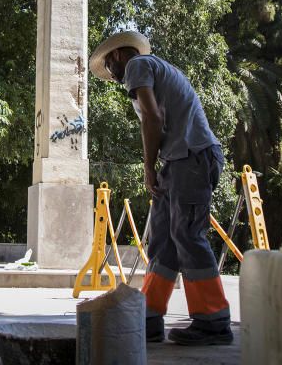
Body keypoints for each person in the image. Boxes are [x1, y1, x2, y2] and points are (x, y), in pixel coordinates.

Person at [88, 31, 233, 346]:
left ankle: (213, 321)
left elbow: (152, 119)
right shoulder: (149, 68)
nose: (112, 76)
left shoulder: (137, 64)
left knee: (187, 234)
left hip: (192, 157)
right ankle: (150, 317)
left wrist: (148, 168)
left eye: (110, 66)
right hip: (178, 161)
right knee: (163, 241)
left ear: (117, 56)